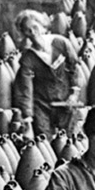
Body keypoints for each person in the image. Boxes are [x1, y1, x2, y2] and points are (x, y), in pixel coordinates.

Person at [14, 10, 85, 138]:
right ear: (24, 33)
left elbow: (74, 68)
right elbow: (26, 90)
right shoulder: (28, 59)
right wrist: (28, 120)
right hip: (42, 106)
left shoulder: (61, 43)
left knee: (68, 141)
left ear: (42, 26)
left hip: (65, 102)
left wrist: (74, 93)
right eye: (27, 30)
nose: (33, 32)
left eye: (35, 27)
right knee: (45, 142)